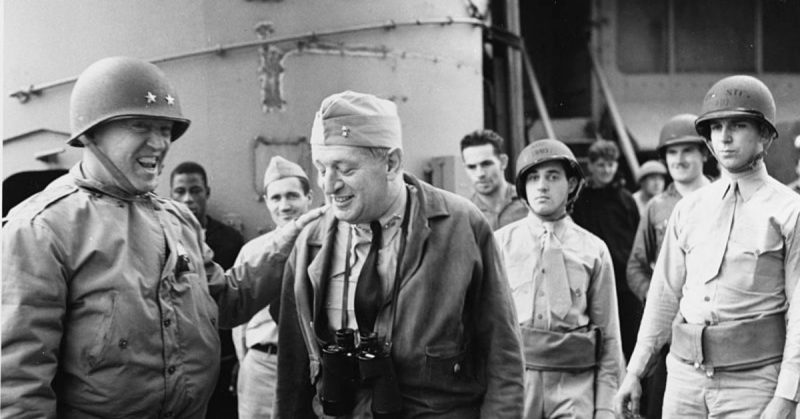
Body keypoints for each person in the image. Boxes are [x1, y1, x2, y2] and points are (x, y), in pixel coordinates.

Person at [1, 56, 324, 418]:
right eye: (141, 126)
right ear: (91, 134)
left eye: (165, 130)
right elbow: (18, 383)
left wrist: (293, 237)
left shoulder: (178, 220)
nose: (159, 144)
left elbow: (223, 302)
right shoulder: (41, 229)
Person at [273, 91, 524, 418]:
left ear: (390, 163)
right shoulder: (311, 241)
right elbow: (291, 374)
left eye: (344, 169)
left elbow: (502, 357)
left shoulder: (461, 226)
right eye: (321, 169)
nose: (329, 185)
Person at [615, 75, 800, 418]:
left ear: (765, 134)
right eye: (716, 127)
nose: (725, 137)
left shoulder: (789, 212)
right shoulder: (689, 209)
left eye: (739, 125)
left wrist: (787, 397)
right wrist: (635, 371)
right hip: (684, 379)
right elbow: (664, 295)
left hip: (753, 384)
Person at [495, 139, 624, 419]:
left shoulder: (593, 249)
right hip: (516, 383)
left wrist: (605, 407)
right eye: (533, 177)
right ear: (523, 188)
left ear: (572, 184)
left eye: (553, 177)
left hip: (575, 386)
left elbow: (609, 336)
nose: (542, 185)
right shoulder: (500, 244)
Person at [625, 114, 711, 419]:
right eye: (672, 152)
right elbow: (635, 266)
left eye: (687, 150)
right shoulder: (657, 207)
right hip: (670, 334)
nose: (679, 159)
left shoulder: (723, 199)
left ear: (704, 152)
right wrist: (658, 300)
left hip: (714, 325)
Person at [232, 156, 313, 419]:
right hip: (263, 365)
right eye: (276, 198)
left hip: (309, 366)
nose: (284, 205)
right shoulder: (253, 251)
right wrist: (247, 362)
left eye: (292, 196)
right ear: (267, 202)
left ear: (308, 198)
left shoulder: (325, 248)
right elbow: (238, 319)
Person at [171, 161, 245, 419]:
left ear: (207, 192)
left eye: (195, 190)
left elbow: (238, 299)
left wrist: (240, 359)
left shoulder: (229, 240)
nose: (188, 199)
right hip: (182, 362)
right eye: (180, 192)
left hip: (224, 357)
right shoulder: (164, 239)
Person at [570, 139, 641, 360]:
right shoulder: (580, 200)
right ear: (590, 166)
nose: (606, 170)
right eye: (601, 165)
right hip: (594, 279)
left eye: (611, 165)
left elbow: (637, 239)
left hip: (625, 284)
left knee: (633, 343)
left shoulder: (626, 199)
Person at [460, 129, 528, 230]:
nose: (480, 174)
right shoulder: (464, 213)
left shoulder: (528, 203)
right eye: (472, 167)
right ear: (465, 168)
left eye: (486, 164)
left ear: (503, 162)